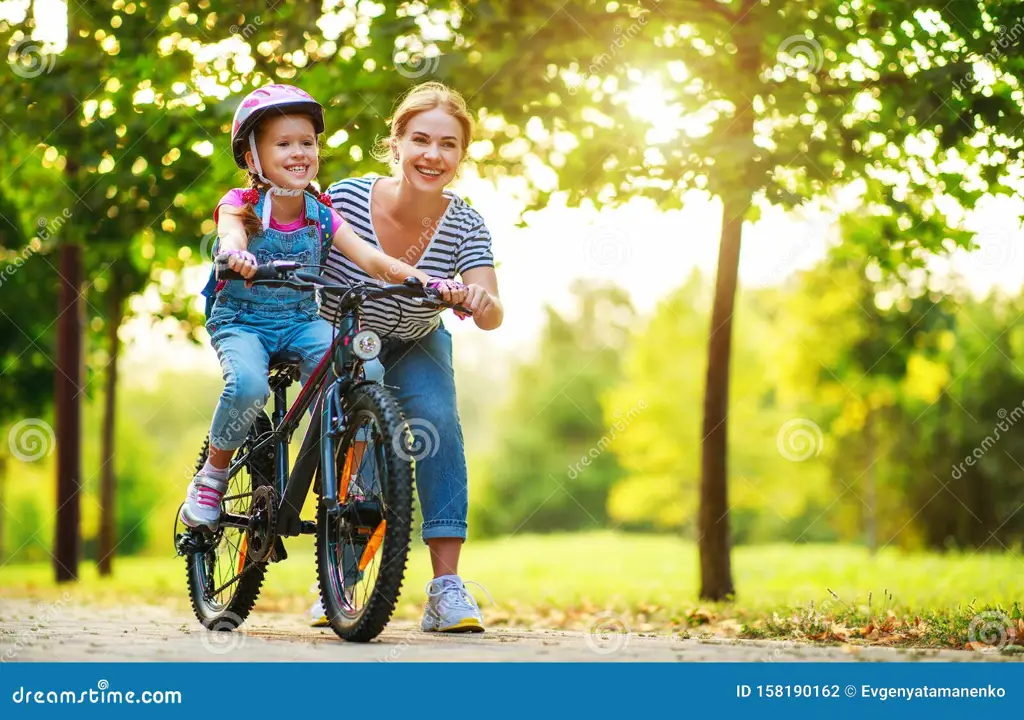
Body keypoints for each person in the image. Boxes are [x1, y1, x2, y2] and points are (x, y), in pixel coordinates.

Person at [180, 84, 466, 532]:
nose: (299, 153)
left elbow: (374, 260)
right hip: (244, 323)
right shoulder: (241, 206)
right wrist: (236, 255)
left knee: (364, 372)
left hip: (299, 322)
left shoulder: (323, 213)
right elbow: (230, 235)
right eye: (283, 144)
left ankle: (347, 475)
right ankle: (213, 475)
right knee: (249, 388)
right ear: (253, 158)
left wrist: (428, 281)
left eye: (307, 143)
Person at [308, 81, 504, 633]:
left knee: (438, 421)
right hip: (342, 333)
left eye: (448, 145)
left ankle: (446, 589)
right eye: (420, 140)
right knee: (364, 428)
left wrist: (480, 298)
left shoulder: (464, 222)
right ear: (395, 143)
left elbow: (492, 312)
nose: (433, 155)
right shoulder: (345, 198)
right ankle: (340, 579)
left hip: (418, 336)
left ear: (461, 157)